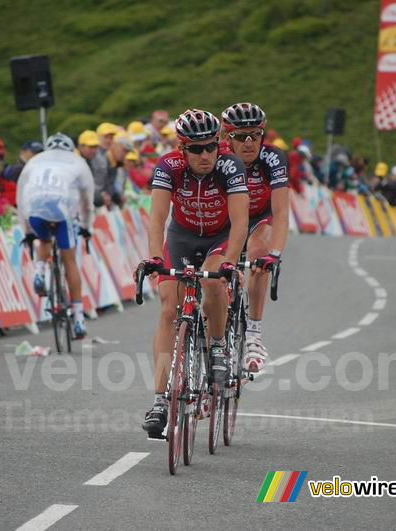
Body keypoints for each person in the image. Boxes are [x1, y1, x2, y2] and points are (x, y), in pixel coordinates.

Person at [137, 109, 249, 437]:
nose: (205, 155)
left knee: (213, 282)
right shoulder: (168, 166)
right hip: (182, 236)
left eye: (211, 146)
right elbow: (157, 218)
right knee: (168, 307)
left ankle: (216, 347)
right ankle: (160, 400)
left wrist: (230, 261)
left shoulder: (230, 166)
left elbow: (241, 221)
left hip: (220, 237)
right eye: (196, 149)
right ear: (182, 149)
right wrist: (155, 257)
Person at [221, 102, 288, 373]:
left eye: (255, 135)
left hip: (259, 218)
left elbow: (282, 211)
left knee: (260, 248)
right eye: (240, 136)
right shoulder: (218, 157)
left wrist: (276, 254)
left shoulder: (273, 158)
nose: (249, 142)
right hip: (224, 222)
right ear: (228, 138)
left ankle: (254, 335)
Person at [16, 133, 95, 339]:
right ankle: (78, 318)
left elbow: (20, 197)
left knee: (43, 239)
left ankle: (40, 272)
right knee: (69, 260)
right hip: (61, 210)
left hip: (33, 209)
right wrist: (87, 227)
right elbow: (87, 203)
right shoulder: (78, 163)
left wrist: (26, 232)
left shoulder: (34, 161)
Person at [78, 129, 111, 208]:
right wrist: (100, 197)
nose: (94, 150)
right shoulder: (77, 163)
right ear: (80, 147)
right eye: (90, 147)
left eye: (96, 147)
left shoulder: (90, 161)